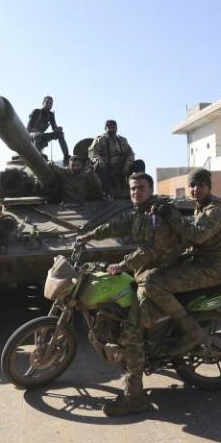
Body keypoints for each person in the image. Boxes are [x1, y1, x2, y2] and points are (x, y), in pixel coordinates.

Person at [77, 172, 183, 417]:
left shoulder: (156, 214)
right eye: (133, 188)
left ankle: (135, 398)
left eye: (141, 188)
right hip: (147, 271)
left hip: (162, 275)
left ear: (151, 189)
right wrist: (88, 236)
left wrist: (122, 265)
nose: (136, 192)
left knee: (132, 328)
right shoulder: (139, 212)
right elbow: (115, 226)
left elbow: (150, 250)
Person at [150, 167, 221, 356]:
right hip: (202, 260)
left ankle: (192, 333)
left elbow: (198, 235)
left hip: (212, 267)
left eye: (201, 185)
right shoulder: (200, 205)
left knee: (155, 283)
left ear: (209, 187)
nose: (196, 189)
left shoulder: (216, 208)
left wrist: (171, 215)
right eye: (192, 185)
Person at [88, 119, 135, 196]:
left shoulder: (122, 140)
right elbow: (92, 152)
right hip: (106, 165)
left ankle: (133, 189)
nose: (111, 129)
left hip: (121, 165)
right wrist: (98, 159)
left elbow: (131, 153)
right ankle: (107, 192)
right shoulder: (100, 139)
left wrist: (127, 164)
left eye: (113, 127)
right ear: (105, 128)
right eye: (109, 127)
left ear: (116, 128)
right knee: (97, 166)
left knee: (140, 163)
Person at [26, 95, 70, 166]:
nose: (49, 104)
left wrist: (58, 129)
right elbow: (28, 128)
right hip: (30, 134)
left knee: (60, 134)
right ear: (43, 103)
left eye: (51, 103)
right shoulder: (36, 111)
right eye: (47, 102)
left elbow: (54, 128)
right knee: (37, 135)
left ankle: (66, 157)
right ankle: (37, 155)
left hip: (41, 135)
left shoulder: (51, 115)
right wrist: (31, 136)